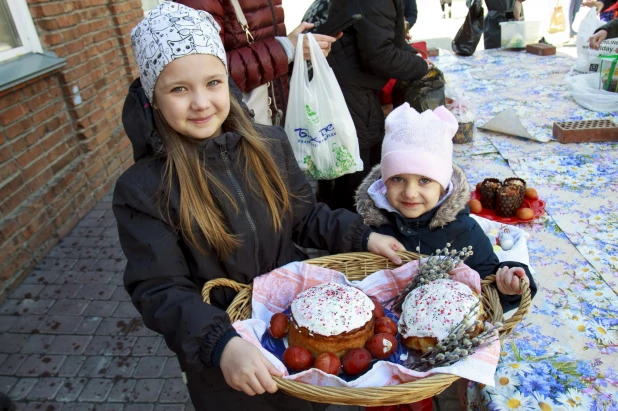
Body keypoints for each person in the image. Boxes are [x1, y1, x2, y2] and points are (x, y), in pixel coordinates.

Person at [114, 3, 406, 410]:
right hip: (225, 357)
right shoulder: (144, 189)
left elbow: (304, 217)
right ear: (153, 97)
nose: (201, 102)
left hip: (293, 328)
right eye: (179, 89)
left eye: (212, 82)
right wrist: (220, 345)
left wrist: (363, 235)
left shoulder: (268, 145)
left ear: (227, 84)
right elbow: (159, 288)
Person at [355, 103, 538, 313]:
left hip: (442, 334)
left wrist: (507, 286)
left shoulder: (463, 232)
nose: (410, 193)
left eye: (424, 180)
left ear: (443, 186)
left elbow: (488, 283)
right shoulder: (368, 226)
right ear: (384, 181)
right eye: (398, 178)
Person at [323, 0, 431, 212]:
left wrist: (410, 53)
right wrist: (420, 66)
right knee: (357, 175)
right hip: (349, 91)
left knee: (361, 167)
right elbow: (379, 54)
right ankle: (351, 233)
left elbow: (379, 38)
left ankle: (351, 226)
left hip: (350, 87)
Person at [177, 0, 339, 126]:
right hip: (240, 130)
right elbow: (202, 71)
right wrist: (286, 48)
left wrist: (296, 52)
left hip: (273, 121)